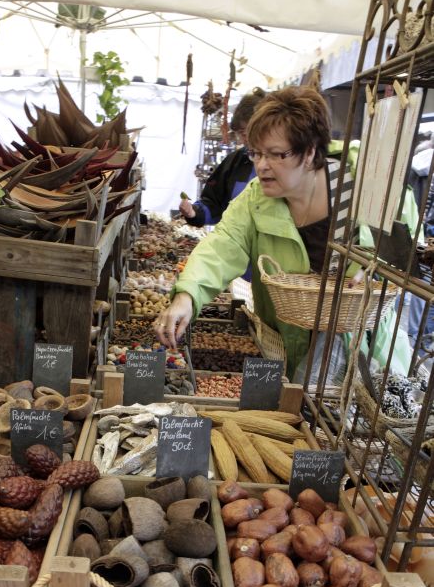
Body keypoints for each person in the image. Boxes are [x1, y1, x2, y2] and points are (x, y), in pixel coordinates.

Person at [154, 85, 421, 380]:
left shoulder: (368, 182)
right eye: (256, 153)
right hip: (287, 345)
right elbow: (223, 244)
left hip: (365, 350)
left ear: (309, 152)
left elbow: (409, 254)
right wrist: (187, 295)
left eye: (276, 155)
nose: (262, 166)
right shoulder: (257, 198)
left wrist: (376, 266)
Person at [179, 88, 266, 227]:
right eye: (239, 134)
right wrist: (194, 212)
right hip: (236, 238)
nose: (242, 140)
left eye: (244, 133)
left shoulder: (283, 164)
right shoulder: (235, 162)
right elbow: (214, 203)